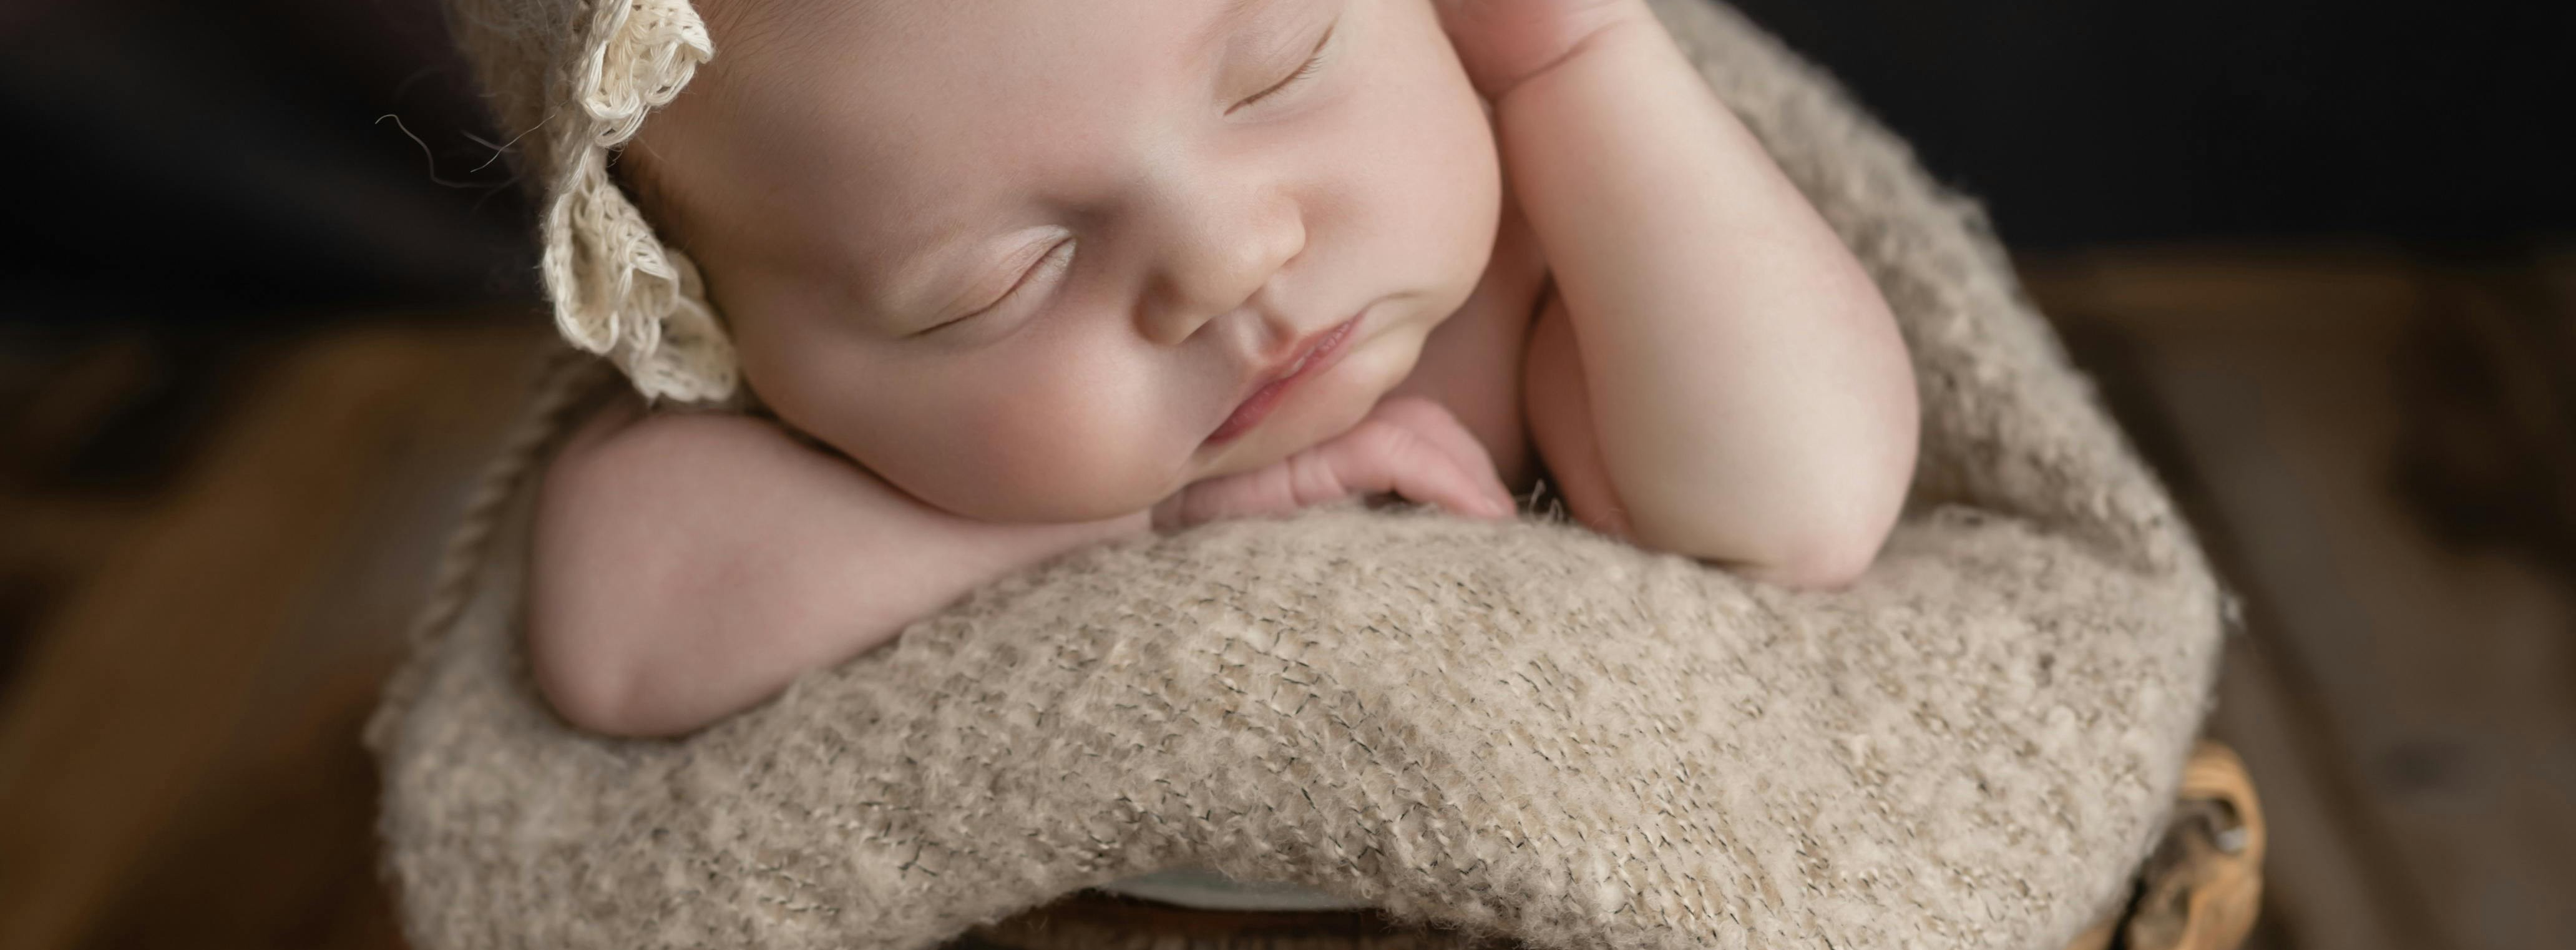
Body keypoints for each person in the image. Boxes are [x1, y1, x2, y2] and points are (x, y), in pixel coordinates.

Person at [517, 0, 1920, 737]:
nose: (1233, 259)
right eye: (999, 284)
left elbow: (1796, 507)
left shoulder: (1555, 255)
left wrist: (1580, 52)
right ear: (724, 349)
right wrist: (1153, 516)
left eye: (1280, 64)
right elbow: (612, 624)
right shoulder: (845, 462)